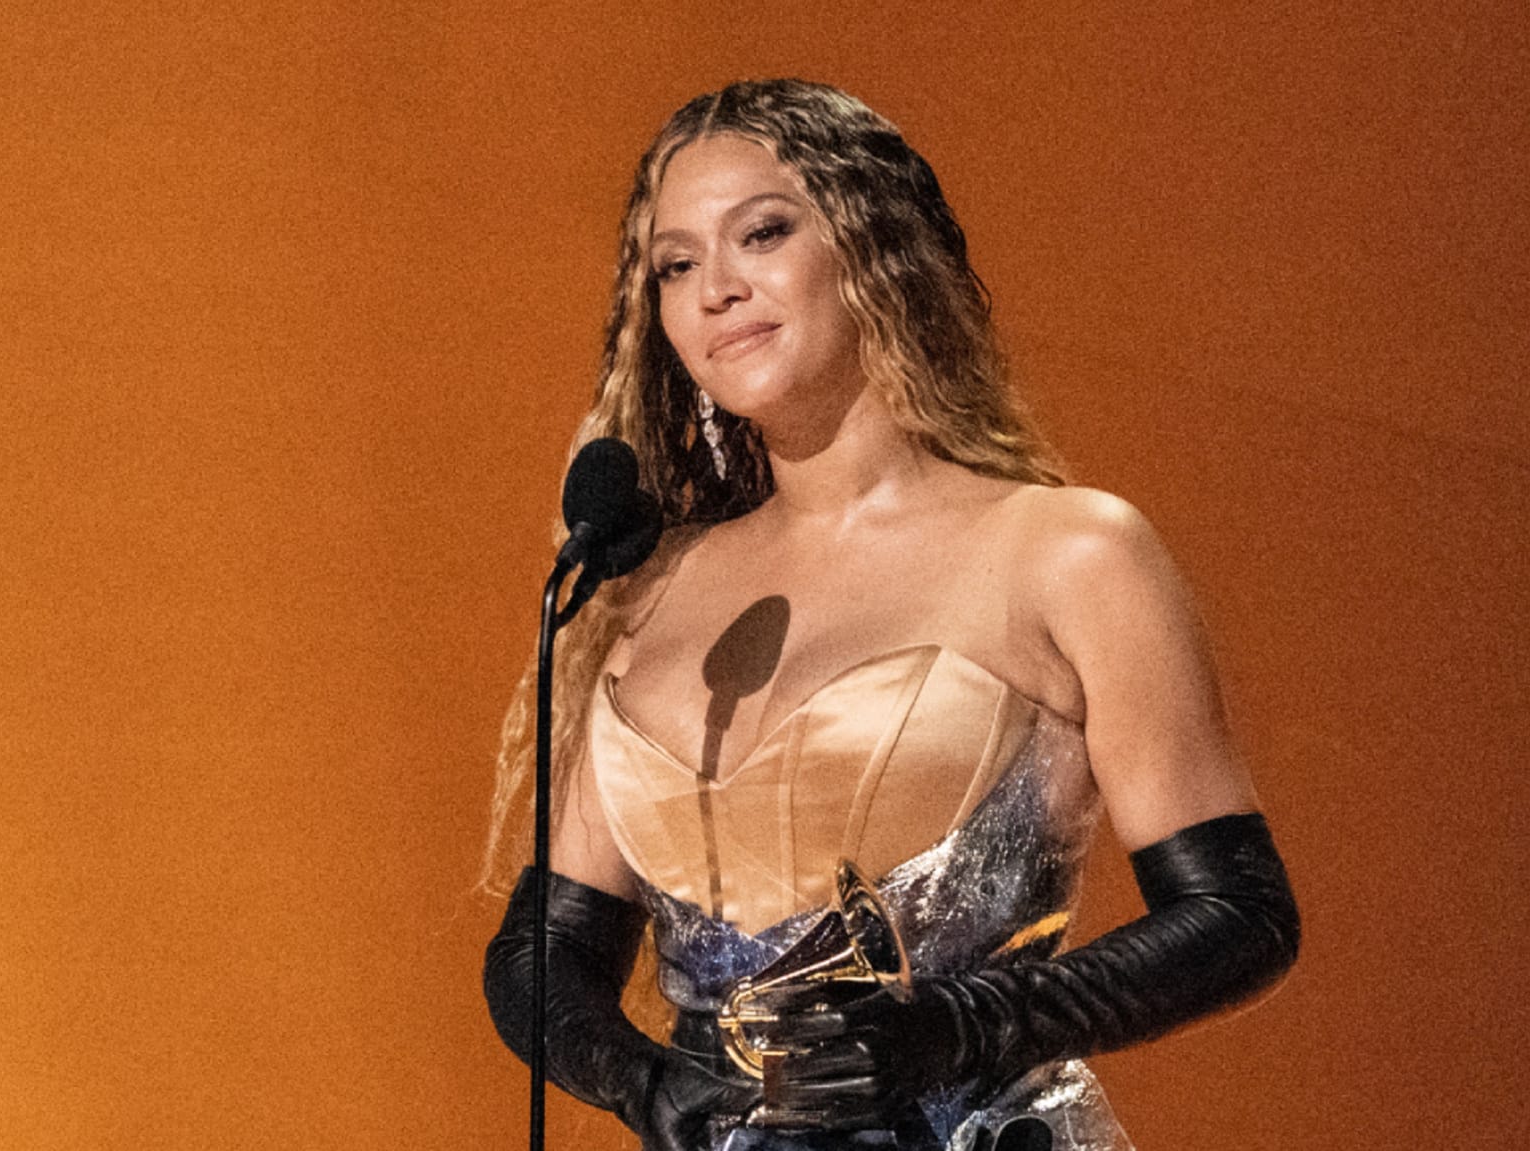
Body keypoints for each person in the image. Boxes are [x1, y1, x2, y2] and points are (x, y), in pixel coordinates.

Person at [481, 79, 1299, 1151]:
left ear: (873, 248)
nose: (715, 289)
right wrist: (642, 1083)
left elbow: (1238, 915)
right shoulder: (650, 587)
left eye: (760, 233)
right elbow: (542, 949)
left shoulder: (1066, 551)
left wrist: (953, 1025)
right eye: (674, 265)